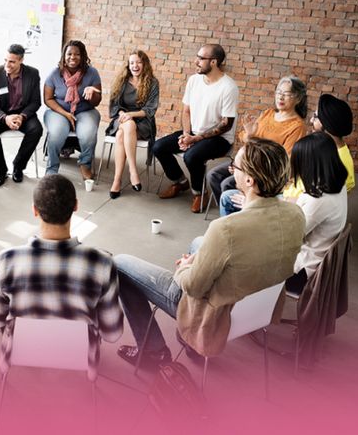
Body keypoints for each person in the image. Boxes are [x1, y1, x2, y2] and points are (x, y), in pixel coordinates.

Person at [114, 138, 305, 367]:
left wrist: (186, 267)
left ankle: (152, 351)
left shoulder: (225, 228)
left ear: (249, 180)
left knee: (119, 264)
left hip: (216, 313)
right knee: (199, 242)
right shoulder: (296, 214)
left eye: (235, 166)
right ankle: (190, 342)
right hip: (258, 308)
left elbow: (193, 287)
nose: (231, 169)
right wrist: (201, 256)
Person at [0, 174, 123, 379]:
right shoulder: (102, 263)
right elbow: (112, 333)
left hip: (19, 354)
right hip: (81, 359)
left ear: (34, 210)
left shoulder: (6, 260)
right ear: (76, 206)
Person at [154, 44, 239, 212]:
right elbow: (186, 111)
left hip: (220, 139)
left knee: (191, 156)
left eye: (201, 58)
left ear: (214, 62)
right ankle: (180, 182)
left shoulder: (229, 87)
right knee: (158, 147)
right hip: (194, 132)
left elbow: (226, 124)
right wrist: (187, 134)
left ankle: (199, 193)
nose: (196, 61)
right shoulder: (194, 80)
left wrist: (196, 139)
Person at [209, 75, 308, 206]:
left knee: (227, 184)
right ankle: (228, 209)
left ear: (298, 98)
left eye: (286, 94)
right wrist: (248, 138)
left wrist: (244, 168)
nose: (280, 97)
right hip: (247, 160)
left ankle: (247, 211)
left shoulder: (297, 126)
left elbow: (284, 160)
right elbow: (245, 137)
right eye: (279, 92)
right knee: (214, 175)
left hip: (265, 171)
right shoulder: (268, 113)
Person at [286, 132, 348, 294]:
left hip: (301, 273)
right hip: (315, 258)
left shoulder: (318, 200)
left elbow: (287, 238)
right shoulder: (336, 184)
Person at [0, 44, 43, 187]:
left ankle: (18, 166)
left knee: (36, 130)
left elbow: (36, 102)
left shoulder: (33, 73)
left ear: (21, 60)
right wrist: (5, 117)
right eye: (5, 60)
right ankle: (1, 170)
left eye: (11, 61)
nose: (7, 64)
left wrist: (22, 116)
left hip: (23, 113)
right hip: (1, 114)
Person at [43, 40, 102, 179]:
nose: (73, 57)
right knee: (56, 132)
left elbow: (97, 101)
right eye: (69, 54)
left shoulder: (92, 73)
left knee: (88, 133)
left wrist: (93, 92)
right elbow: (48, 99)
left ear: (83, 56)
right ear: (64, 56)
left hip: (85, 110)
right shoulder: (55, 73)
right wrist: (66, 114)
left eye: (77, 54)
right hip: (58, 111)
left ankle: (85, 164)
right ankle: (52, 168)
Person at [105, 49, 159, 198]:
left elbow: (150, 109)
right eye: (132, 63)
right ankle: (132, 172)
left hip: (143, 122)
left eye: (139, 62)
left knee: (122, 133)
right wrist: (124, 114)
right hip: (122, 119)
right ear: (128, 65)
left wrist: (131, 115)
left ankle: (117, 180)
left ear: (144, 64)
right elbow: (114, 106)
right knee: (128, 125)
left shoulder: (152, 83)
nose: (135, 66)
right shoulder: (121, 81)